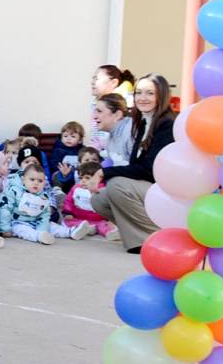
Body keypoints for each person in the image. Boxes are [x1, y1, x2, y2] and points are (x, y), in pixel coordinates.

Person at [92, 73, 176, 253]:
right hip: (148, 187)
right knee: (99, 200)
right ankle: (138, 239)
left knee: (117, 186)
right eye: (139, 92)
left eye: (150, 93)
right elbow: (135, 163)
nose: (142, 98)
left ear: (161, 95)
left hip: (165, 191)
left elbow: (149, 170)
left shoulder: (167, 124)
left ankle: (158, 237)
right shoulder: (143, 122)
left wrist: (104, 173)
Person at [0, 162, 93, 244]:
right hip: (17, 222)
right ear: (23, 179)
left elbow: (45, 214)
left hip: (36, 221)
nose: (36, 183)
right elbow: (4, 209)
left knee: (52, 226)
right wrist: (5, 228)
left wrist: (42, 229)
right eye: (32, 180)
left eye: (40, 181)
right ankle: (38, 236)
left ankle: (71, 232)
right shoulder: (13, 191)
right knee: (23, 231)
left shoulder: (43, 196)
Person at [63, 162, 120, 241]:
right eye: (81, 178)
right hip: (80, 219)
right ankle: (86, 229)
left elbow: (110, 203)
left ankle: (110, 233)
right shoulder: (75, 188)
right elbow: (69, 201)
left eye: (87, 178)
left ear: (98, 179)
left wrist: (111, 218)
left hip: (99, 219)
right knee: (68, 222)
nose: (83, 181)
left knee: (104, 225)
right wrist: (68, 213)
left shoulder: (102, 189)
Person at [89, 64, 135, 150]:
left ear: (114, 83)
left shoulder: (126, 104)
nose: (92, 82)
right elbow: (95, 136)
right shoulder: (94, 104)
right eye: (93, 78)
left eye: (97, 79)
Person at [92, 93, 132, 167]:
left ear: (117, 115)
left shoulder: (131, 133)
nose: (94, 116)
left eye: (99, 111)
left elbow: (139, 168)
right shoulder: (110, 136)